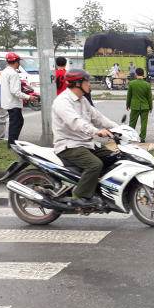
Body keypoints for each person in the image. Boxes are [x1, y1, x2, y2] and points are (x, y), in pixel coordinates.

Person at [52, 69, 118, 208]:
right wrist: (96, 131)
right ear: (77, 83)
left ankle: (98, 191)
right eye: (87, 81)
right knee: (94, 164)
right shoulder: (63, 101)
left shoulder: (82, 100)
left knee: (115, 157)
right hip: (69, 145)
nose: (90, 84)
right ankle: (79, 197)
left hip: (86, 144)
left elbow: (98, 117)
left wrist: (118, 128)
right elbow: (76, 122)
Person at [0, 52, 38, 148]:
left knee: (16, 122)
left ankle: (12, 142)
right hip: (13, 102)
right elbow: (15, 91)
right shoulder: (13, 73)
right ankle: (12, 144)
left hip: (7, 101)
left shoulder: (4, 72)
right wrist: (29, 97)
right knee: (16, 123)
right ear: (17, 62)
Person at [126, 68, 152, 143]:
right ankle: (142, 138)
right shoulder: (147, 84)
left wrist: (128, 105)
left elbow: (129, 96)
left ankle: (130, 137)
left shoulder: (131, 83)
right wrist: (150, 107)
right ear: (143, 74)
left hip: (135, 106)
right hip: (145, 106)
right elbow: (149, 97)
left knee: (132, 122)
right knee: (144, 123)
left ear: (136, 74)